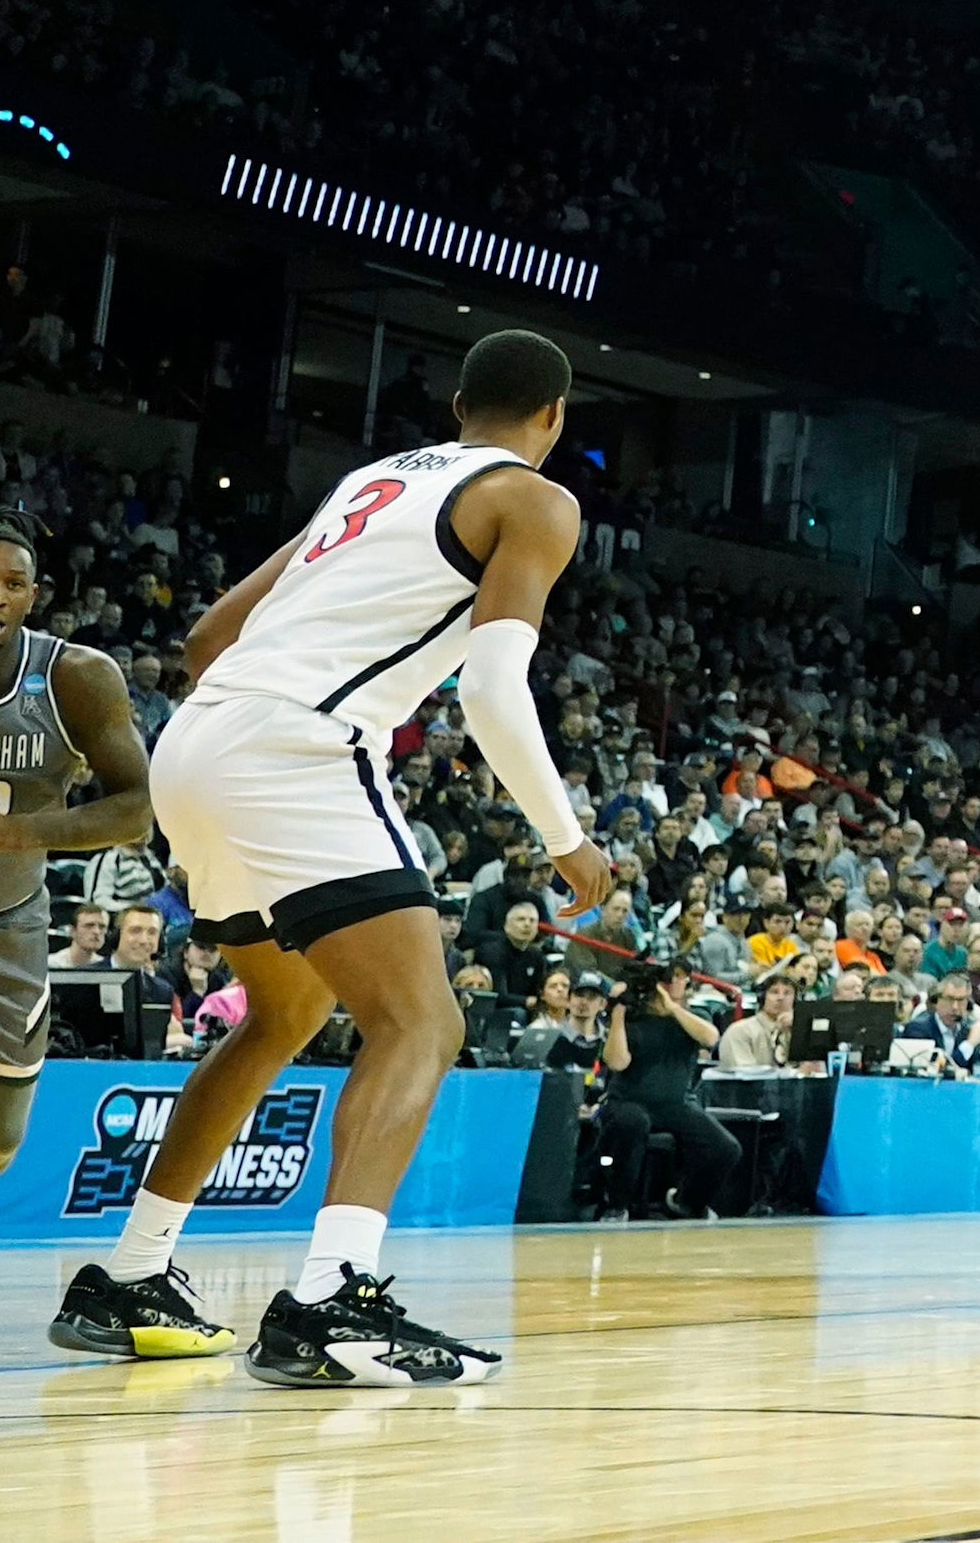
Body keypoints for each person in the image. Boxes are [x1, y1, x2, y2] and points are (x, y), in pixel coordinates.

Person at [52, 329, 612, 1386]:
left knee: (286, 1010)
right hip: (296, 748)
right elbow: (492, 689)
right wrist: (566, 838)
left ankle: (129, 1273)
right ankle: (331, 1297)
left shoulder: (373, 479)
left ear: (456, 405)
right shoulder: (535, 499)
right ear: (555, 416)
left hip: (200, 740)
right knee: (423, 1017)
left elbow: (210, 635)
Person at [0, 505, 157, 1318]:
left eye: (12, 583)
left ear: (36, 594)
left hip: (3, 924)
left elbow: (136, 809)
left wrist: (15, 834)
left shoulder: (76, 676)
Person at [593, 961, 742, 1216]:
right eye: (667, 979)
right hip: (628, 1101)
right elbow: (617, 1062)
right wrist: (618, 1013)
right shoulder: (633, 1019)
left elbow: (710, 1038)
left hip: (675, 1104)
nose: (672, 983)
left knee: (725, 1147)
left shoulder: (691, 1019)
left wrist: (672, 1007)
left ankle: (688, 1201)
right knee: (633, 1123)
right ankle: (617, 1205)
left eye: (679, 978)